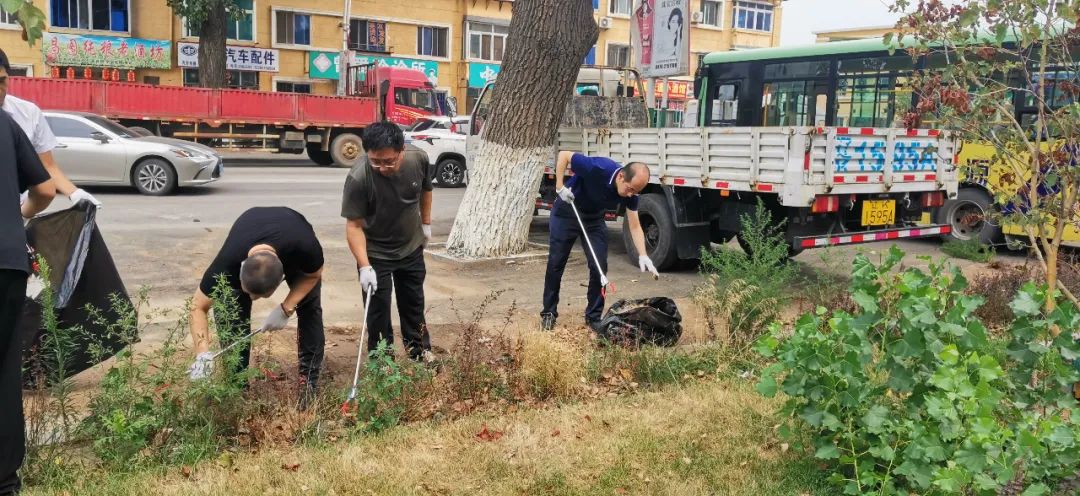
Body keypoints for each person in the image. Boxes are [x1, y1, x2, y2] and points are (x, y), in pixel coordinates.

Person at [187, 207, 325, 408]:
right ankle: (237, 385)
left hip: (293, 242)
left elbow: (314, 274)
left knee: (309, 307)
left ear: (281, 279)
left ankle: (309, 382)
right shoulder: (228, 262)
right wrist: (202, 353)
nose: (253, 299)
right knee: (230, 308)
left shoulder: (305, 247)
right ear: (241, 269)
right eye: (250, 292)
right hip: (249, 234)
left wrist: (286, 307)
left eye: (260, 295)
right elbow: (197, 306)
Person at [342, 122, 435, 362]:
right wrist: (364, 266)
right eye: (376, 161)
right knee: (378, 312)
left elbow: (426, 190)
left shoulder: (419, 159)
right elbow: (353, 226)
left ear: (402, 150)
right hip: (376, 253)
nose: (382, 167)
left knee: (413, 303)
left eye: (389, 161)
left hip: (411, 247)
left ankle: (419, 351)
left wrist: (426, 224)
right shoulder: (359, 176)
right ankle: (382, 361)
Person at [0, 111, 56, 496]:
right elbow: (45, 190)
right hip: (7, 263)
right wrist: (15, 216)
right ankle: (5, 483)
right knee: (5, 372)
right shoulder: (5, 123)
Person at [541, 151, 659, 331]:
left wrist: (643, 254)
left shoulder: (632, 194)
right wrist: (559, 187)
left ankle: (593, 317)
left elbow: (635, 226)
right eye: (629, 189)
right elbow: (564, 155)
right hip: (567, 210)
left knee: (599, 266)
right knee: (556, 263)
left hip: (594, 219)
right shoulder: (599, 168)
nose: (630, 195)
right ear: (621, 176)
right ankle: (548, 313)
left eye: (636, 192)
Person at [0, 49, 101, 212]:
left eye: (2, 80)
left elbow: (47, 166)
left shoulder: (28, 113)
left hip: (16, 211)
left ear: (9, 77)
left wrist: (75, 193)